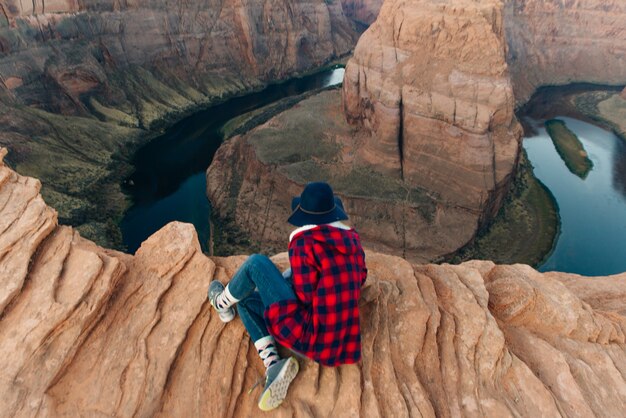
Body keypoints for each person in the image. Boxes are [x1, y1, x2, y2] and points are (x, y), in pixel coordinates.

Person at [208, 182, 368, 411]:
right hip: (342, 341)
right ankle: (274, 366)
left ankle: (220, 304)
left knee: (257, 264)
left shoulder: (304, 244)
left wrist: (279, 284)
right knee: (246, 300)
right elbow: (361, 276)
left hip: (310, 337)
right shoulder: (352, 241)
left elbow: (304, 295)